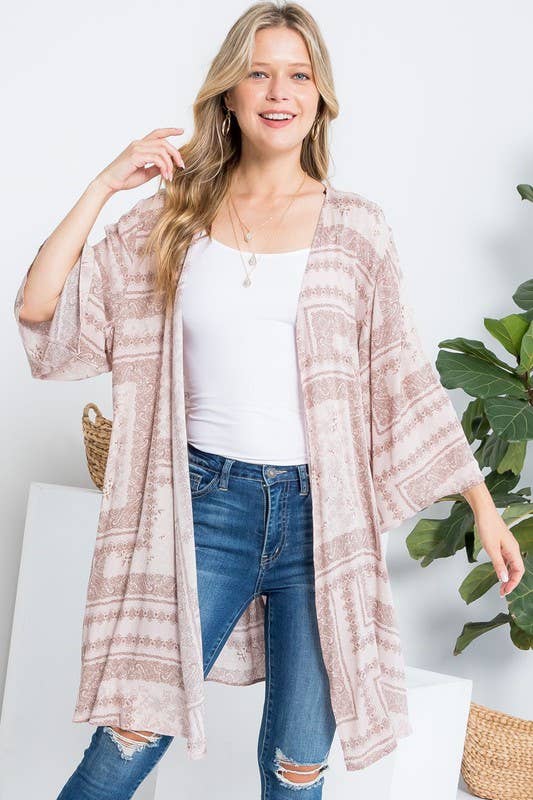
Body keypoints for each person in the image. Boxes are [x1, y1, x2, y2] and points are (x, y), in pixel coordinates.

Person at [14, 2, 525, 799]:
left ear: (320, 96)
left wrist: (481, 505)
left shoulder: (356, 230)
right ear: (228, 92)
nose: (278, 92)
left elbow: (401, 373)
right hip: (201, 507)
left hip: (325, 521)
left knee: (298, 765)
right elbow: (40, 307)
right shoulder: (172, 220)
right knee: (129, 735)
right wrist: (104, 184)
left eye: (298, 74)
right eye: (258, 73)